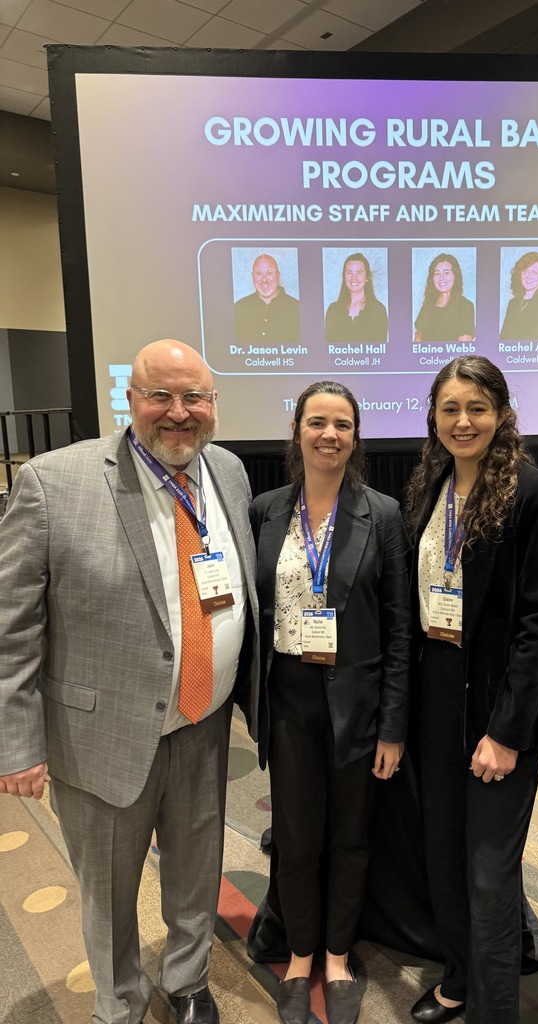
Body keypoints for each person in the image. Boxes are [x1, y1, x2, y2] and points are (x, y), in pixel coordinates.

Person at [0, 339, 258, 1024]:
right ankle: (117, 1002)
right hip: (101, 731)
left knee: (196, 869)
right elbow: (11, 627)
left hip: (204, 722)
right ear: (130, 399)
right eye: (159, 395)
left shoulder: (228, 471)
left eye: (194, 397)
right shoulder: (54, 482)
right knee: (110, 889)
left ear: (213, 403)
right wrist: (17, 742)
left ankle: (188, 979)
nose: (178, 412)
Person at [404, 356, 538, 1024]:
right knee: (444, 855)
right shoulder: (431, 482)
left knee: (489, 872)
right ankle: (459, 978)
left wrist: (504, 732)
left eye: (477, 408)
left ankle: (495, 1010)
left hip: (501, 708)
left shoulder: (533, 491)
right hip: (436, 700)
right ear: (433, 416)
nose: (463, 421)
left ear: (501, 413)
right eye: (450, 408)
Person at [249, 381, 410, 1024]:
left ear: (356, 436)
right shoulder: (265, 510)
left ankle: (338, 956)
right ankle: (299, 955)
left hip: (358, 702)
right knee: (294, 839)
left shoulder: (383, 514)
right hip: (287, 699)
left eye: (342, 425)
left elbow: (400, 628)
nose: (329, 435)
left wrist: (393, 726)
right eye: (317, 422)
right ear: (297, 430)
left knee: (350, 836)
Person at [234, 253, 301, 345]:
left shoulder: (297, 308)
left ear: (278, 276)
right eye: (259, 274)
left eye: (269, 273)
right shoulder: (238, 308)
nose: (264, 280)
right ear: (252, 276)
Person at [324, 252, 388, 344]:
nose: (354, 278)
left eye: (359, 273)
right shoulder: (333, 310)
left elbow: (381, 349)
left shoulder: (378, 310)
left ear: (367, 277)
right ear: (344, 276)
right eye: (349, 273)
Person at [414, 253, 476, 343]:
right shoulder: (427, 305)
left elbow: (463, 347)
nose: (441, 278)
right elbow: (417, 342)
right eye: (437, 273)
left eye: (446, 273)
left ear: (455, 276)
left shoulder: (465, 306)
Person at [499, 251, 538, 341]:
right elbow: (504, 337)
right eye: (525, 271)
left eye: (534, 272)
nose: (529, 276)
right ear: (519, 274)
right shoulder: (513, 303)